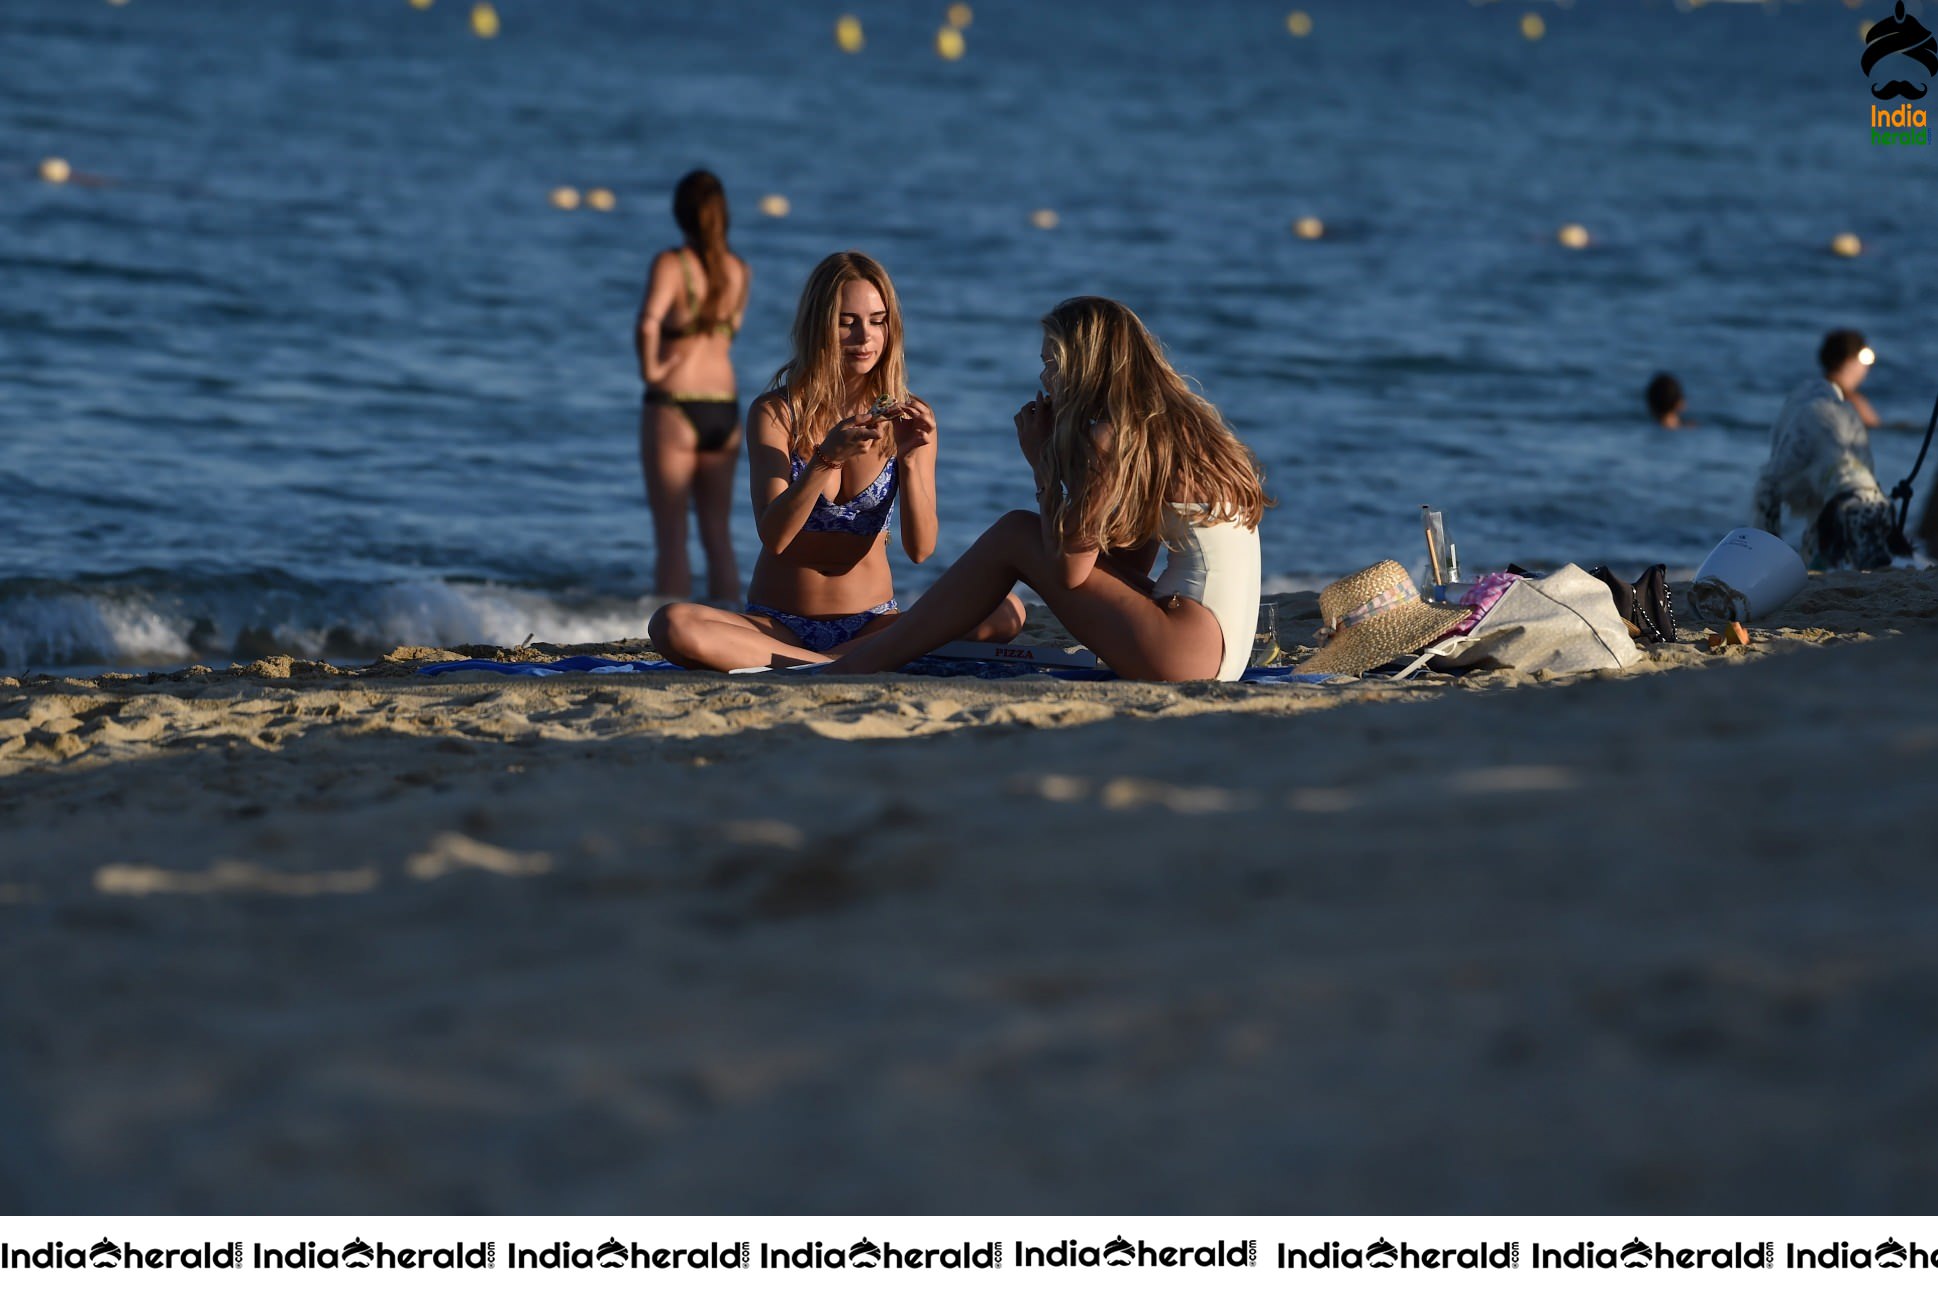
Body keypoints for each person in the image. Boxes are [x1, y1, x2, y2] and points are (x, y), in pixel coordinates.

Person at [826, 296, 1267, 682]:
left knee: (1015, 533)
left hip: (1186, 652)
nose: (1045, 378)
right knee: (1030, 536)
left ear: (1084, 368)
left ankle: (855, 664)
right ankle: (877, 650)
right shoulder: (1173, 427)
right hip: (1216, 652)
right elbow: (1124, 561)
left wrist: (1042, 466)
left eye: (1051, 364)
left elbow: (1070, 573)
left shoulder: (1114, 438)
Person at [648, 251, 1024, 670]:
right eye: (847, 322)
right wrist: (825, 461)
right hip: (777, 624)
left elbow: (921, 550)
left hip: (875, 621)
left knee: (1007, 608)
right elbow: (774, 536)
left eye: (878, 321)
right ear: (819, 325)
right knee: (673, 624)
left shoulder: (908, 416)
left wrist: (915, 460)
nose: (865, 336)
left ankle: (820, 663)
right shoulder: (776, 413)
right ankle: (834, 663)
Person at [635, 170, 750, 600]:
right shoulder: (739, 270)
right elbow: (731, 328)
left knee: (672, 534)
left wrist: (651, 371)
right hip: (724, 406)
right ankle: (731, 625)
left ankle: (668, 630)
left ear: (679, 213)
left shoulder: (671, 263)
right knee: (717, 533)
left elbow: (649, 323)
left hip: (674, 402)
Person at [1751, 329, 1907, 570]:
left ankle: (1814, 566)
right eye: (1866, 359)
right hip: (1809, 433)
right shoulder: (1852, 405)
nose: (1867, 368)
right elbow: (1768, 488)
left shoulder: (1854, 419)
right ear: (1849, 361)